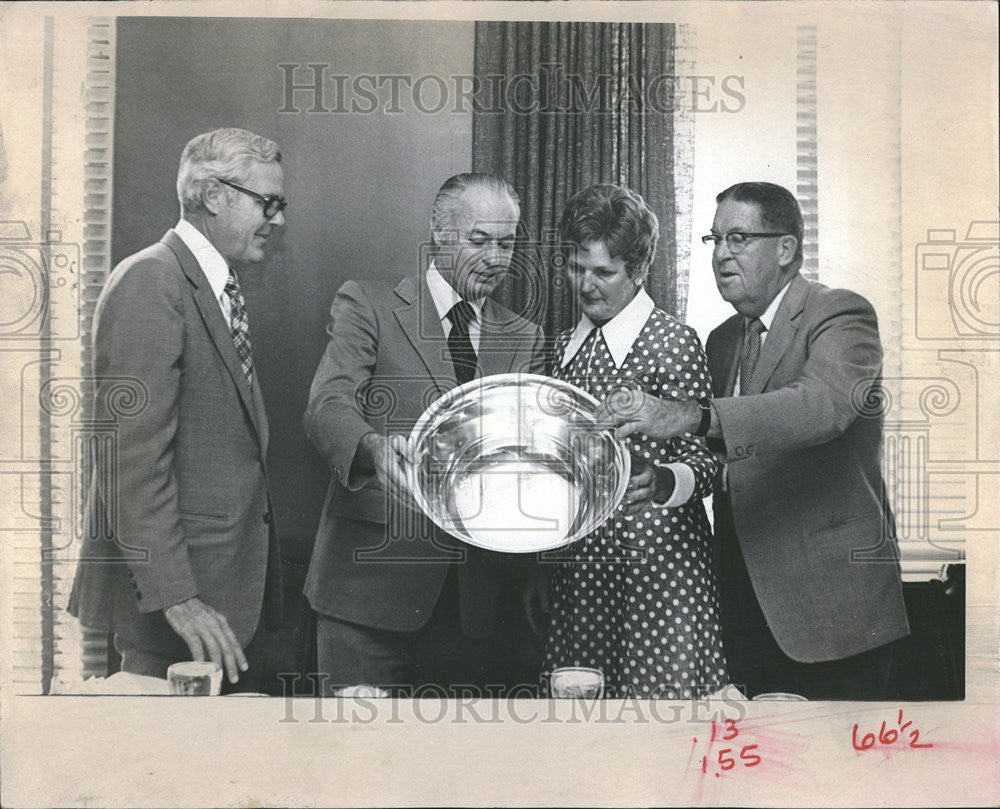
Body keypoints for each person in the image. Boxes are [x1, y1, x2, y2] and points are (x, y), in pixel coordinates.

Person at [597, 181, 910, 700]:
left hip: (836, 615)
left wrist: (689, 416)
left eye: (738, 238)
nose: (720, 254)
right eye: (714, 240)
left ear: (785, 248)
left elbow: (818, 408)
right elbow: (735, 458)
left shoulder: (841, 314)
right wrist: (664, 481)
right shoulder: (722, 340)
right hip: (746, 611)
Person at [303, 173, 546, 695]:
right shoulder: (367, 304)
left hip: (473, 607)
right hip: (366, 595)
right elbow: (327, 406)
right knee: (356, 766)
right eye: (480, 240)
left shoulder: (525, 337)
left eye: (507, 243)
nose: (495, 258)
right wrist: (371, 447)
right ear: (439, 232)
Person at [69, 127, 287, 691]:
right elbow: (128, 465)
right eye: (270, 203)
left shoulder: (215, 287)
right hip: (176, 610)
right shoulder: (151, 281)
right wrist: (179, 598)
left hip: (221, 599)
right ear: (215, 195)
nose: (278, 219)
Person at [543, 183, 727, 699]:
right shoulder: (560, 350)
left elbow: (708, 460)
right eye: (576, 268)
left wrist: (665, 479)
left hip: (661, 576)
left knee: (662, 734)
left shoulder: (674, 341)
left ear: (639, 270)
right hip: (581, 576)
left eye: (604, 272)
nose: (586, 285)